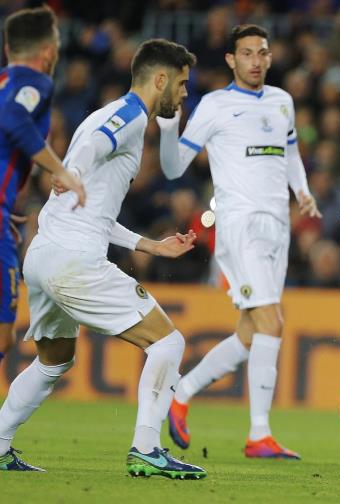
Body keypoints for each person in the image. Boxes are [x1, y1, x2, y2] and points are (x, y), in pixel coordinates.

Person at [0, 38, 206, 479]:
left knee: (54, 359)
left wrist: (148, 245)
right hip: (74, 260)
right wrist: (68, 170)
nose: (185, 94)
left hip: (45, 254)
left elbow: (92, 209)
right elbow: (96, 142)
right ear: (161, 79)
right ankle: (147, 448)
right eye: (183, 84)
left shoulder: (111, 114)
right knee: (168, 343)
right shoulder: (129, 114)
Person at [158, 24, 319, 460]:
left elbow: (289, 155)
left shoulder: (282, 101)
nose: (255, 60)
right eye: (246, 53)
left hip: (276, 226)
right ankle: (259, 435)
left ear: (269, 57)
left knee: (250, 333)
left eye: (262, 52)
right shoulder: (214, 105)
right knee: (272, 322)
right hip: (239, 225)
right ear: (231, 59)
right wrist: (169, 128)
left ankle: (182, 392)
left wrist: (302, 191)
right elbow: (173, 169)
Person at [0, 6, 85, 369]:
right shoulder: (36, 82)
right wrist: (61, 170)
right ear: (48, 50)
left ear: (8, 49)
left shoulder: (4, 81)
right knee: (2, 334)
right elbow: (12, 118)